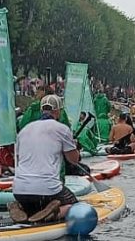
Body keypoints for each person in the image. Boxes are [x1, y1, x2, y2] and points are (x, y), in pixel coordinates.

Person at [10, 94, 81, 223]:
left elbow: (18, 160)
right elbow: (74, 160)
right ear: (57, 111)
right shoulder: (62, 129)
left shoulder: (24, 130)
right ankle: (54, 214)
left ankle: (23, 208)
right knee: (75, 206)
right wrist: (74, 147)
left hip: (19, 191)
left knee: (33, 202)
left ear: (42, 110)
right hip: (48, 189)